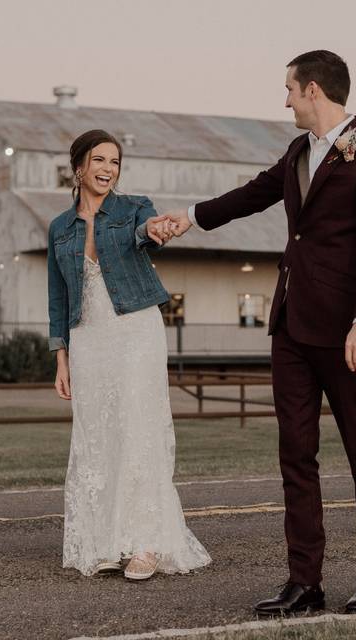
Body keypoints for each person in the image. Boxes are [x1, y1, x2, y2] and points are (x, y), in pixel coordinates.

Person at [150, 50, 356, 615]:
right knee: (296, 454)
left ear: (313, 90)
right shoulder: (296, 152)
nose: (284, 99)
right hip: (290, 325)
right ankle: (304, 581)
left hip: (346, 333)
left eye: (288, 89)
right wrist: (188, 215)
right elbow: (252, 194)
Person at [47, 129, 211, 580]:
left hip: (136, 330)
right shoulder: (60, 228)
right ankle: (106, 541)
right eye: (99, 160)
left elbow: (147, 233)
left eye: (115, 162)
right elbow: (58, 297)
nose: (107, 170)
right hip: (88, 338)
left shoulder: (135, 207)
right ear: (78, 167)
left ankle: (146, 543)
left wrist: (156, 230)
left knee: (139, 430)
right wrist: (60, 356)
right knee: (98, 434)